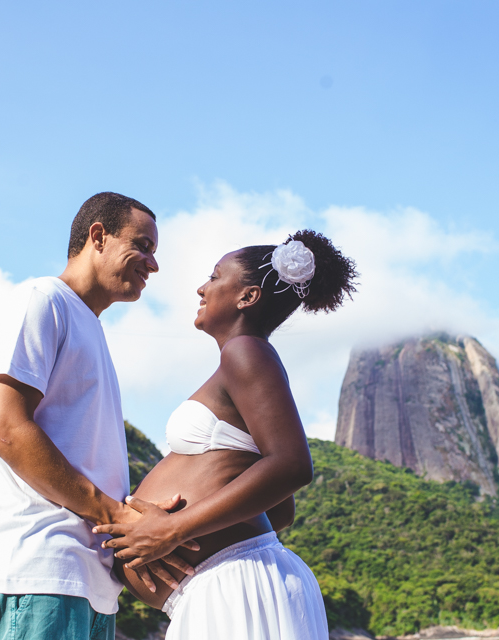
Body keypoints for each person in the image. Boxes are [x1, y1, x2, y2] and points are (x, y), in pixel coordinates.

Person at [95, 230, 358, 639]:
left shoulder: (245, 351)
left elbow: (291, 465)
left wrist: (172, 530)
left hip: (236, 588)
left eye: (215, 277)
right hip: (226, 588)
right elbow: (280, 511)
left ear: (247, 297)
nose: (202, 287)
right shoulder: (244, 362)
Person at [0, 192, 192, 640]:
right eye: (142, 246)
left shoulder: (91, 328)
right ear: (98, 237)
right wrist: (117, 515)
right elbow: (5, 430)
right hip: (34, 576)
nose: (153, 264)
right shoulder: (41, 300)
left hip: (90, 587)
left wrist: (135, 511)